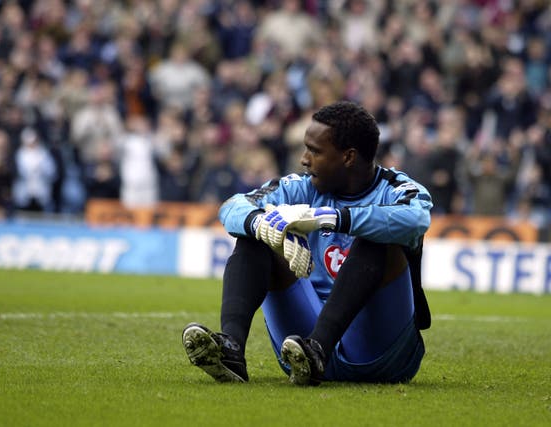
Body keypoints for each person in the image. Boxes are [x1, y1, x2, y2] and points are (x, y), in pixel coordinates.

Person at [182, 101, 433, 386]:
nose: (304, 159)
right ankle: (231, 349)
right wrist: (259, 224)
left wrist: (329, 218)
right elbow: (232, 207)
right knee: (255, 236)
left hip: (380, 354)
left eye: (314, 150)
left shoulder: (396, 188)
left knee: (379, 239)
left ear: (349, 157)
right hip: (300, 344)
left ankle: (319, 348)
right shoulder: (301, 187)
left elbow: (416, 219)